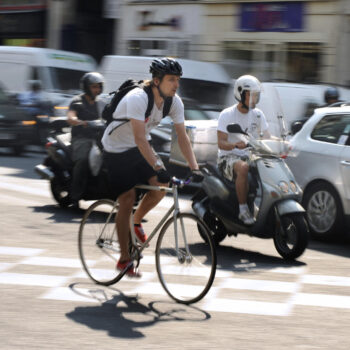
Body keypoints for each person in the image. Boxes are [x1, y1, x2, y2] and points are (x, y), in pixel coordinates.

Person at [101, 57, 201, 277]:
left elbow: (182, 137)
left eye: (178, 80)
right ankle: (124, 259)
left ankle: (136, 222)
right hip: (116, 149)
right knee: (127, 198)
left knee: (162, 184)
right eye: (171, 79)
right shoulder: (137, 98)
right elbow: (139, 137)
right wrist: (158, 165)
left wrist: (195, 167)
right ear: (156, 81)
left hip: (138, 147)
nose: (176, 84)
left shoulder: (174, 102)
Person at [217, 75, 271, 225]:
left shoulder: (258, 115)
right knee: (244, 167)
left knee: (269, 168)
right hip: (228, 158)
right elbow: (221, 143)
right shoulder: (227, 114)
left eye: (257, 95)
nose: (255, 98)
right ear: (240, 94)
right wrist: (235, 145)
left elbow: (267, 137)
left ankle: (261, 204)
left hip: (250, 156)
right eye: (251, 94)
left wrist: (283, 144)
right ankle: (243, 210)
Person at [67, 72, 104, 207]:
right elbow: (70, 117)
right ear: (87, 87)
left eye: (99, 87)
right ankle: (75, 196)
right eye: (94, 87)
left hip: (99, 138)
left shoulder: (101, 103)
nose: (97, 90)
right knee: (82, 161)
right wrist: (79, 122)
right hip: (81, 138)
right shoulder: (77, 102)